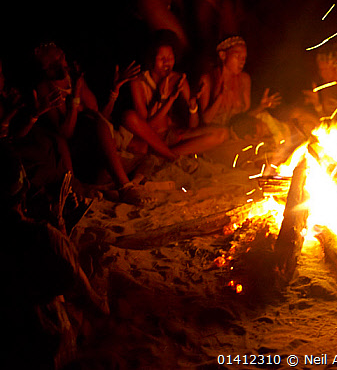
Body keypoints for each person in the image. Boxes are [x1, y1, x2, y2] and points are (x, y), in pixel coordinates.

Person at [0, 142, 109, 369]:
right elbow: (79, 292)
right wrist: (59, 232)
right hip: (42, 348)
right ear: (25, 186)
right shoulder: (42, 236)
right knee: (92, 271)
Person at [33, 42, 151, 205]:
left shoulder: (73, 77)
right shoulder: (45, 87)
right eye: (53, 62)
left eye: (61, 56)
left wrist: (115, 89)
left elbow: (98, 114)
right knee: (100, 126)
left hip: (96, 144)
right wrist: (74, 99)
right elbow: (66, 133)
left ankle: (122, 183)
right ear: (45, 68)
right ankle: (124, 187)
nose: (62, 62)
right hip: (77, 153)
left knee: (142, 149)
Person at [121, 31, 228, 161]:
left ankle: (165, 156)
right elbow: (146, 127)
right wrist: (164, 99)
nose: (167, 63)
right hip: (150, 140)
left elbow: (192, 126)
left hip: (172, 135)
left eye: (170, 58)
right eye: (162, 59)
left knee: (221, 133)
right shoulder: (139, 82)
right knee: (139, 146)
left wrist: (193, 106)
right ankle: (167, 156)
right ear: (152, 59)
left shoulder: (178, 79)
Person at [198, 36, 284, 144]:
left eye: (244, 57)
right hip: (214, 135)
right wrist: (220, 95)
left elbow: (242, 119)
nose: (242, 61)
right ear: (223, 55)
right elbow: (206, 120)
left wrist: (262, 106)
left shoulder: (244, 79)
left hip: (235, 133)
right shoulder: (208, 79)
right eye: (237, 56)